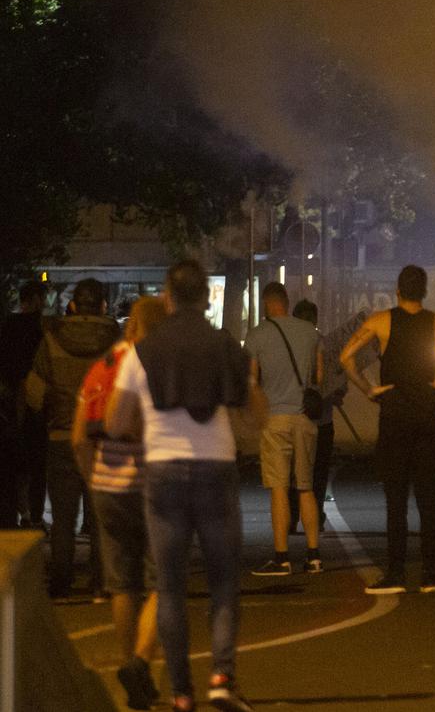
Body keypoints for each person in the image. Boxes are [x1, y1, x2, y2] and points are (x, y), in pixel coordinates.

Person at [107, 259, 266, 712]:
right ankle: (222, 678)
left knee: (171, 587)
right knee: (223, 584)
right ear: (208, 297)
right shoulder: (228, 347)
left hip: (163, 473)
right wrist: (249, 384)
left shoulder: (142, 351)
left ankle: (180, 693)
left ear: (167, 296)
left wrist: (146, 416)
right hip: (216, 467)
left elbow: (117, 423)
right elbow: (257, 418)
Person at [341, 265, 435, 595]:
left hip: (394, 415)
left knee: (396, 499)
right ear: (425, 291)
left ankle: (395, 573)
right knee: (427, 497)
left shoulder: (380, 321)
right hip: (426, 414)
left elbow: (346, 356)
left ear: (398, 290)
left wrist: (368, 389)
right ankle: (430, 574)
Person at [73, 296, 167, 709]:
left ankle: (131, 664)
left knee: (122, 583)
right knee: (166, 580)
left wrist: (92, 479)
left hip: (106, 485)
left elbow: (79, 437)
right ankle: (142, 663)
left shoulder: (101, 367)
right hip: (152, 486)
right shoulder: (158, 366)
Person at [27, 278, 120, 598]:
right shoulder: (117, 341)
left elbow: (34, 394)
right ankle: (102, 580)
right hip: (103, 439)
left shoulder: (51, 340)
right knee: (100, 515)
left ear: (75, 305)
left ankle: (62, 579)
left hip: (62, 435)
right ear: (103, 305)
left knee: (63, 517)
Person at [244, 283, 323, 577]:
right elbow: (318, 376)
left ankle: (282, 558)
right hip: (304, 418)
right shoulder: (309, 333)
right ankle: (314, 557)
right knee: (305, 487)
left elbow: (252, 380)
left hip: (274, 418)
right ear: (287, 302)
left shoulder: (257, 335)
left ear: (266, 304)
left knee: (278, 488)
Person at [287, 300, 344, 533]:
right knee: (318, 473)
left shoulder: (288, 345)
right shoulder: (326, 346)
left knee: (293, 472)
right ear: (316, 320)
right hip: (323, 419)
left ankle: (291, 518)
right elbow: (337, 382)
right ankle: (316, 516)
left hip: (294, 417)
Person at [0, 281, 48, 529]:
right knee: (36, 465)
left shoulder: (9, 325)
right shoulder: (40, 328)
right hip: (34, 402)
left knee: (15, 465)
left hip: (11, 404)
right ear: (35, 299)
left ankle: (18, 514)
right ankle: (35, 516)